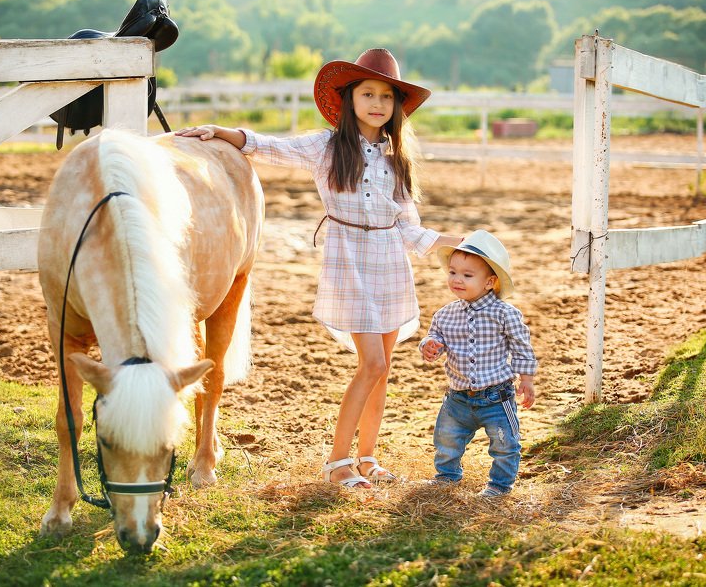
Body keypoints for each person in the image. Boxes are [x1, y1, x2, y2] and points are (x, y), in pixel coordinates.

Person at [176, 48, 461, 489]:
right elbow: (271, 147)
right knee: (370, 363)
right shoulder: (326, 147)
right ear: (349, 99)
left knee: (383, 367)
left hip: (390, 264)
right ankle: (337, 462)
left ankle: (367, 457)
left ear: (396, 108)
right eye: (369, 94)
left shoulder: (397, 160)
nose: (378, 104)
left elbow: (408, 228)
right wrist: (223, 132)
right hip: (349, 262)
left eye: (387, 97)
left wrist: (448, 242)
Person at [419, 229, 537, 498]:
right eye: (452, 272)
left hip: (496, 397)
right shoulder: (445, 314)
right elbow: (434, 339)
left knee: (504, 442)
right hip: (457, 397)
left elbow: (521, 346)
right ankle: (446, 476)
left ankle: (499, 485)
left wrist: (526, 379)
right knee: (447, 439)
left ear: (489, 282)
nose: (457, 280)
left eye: (467, 275)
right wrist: (429, 346)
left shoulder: (505, 313)